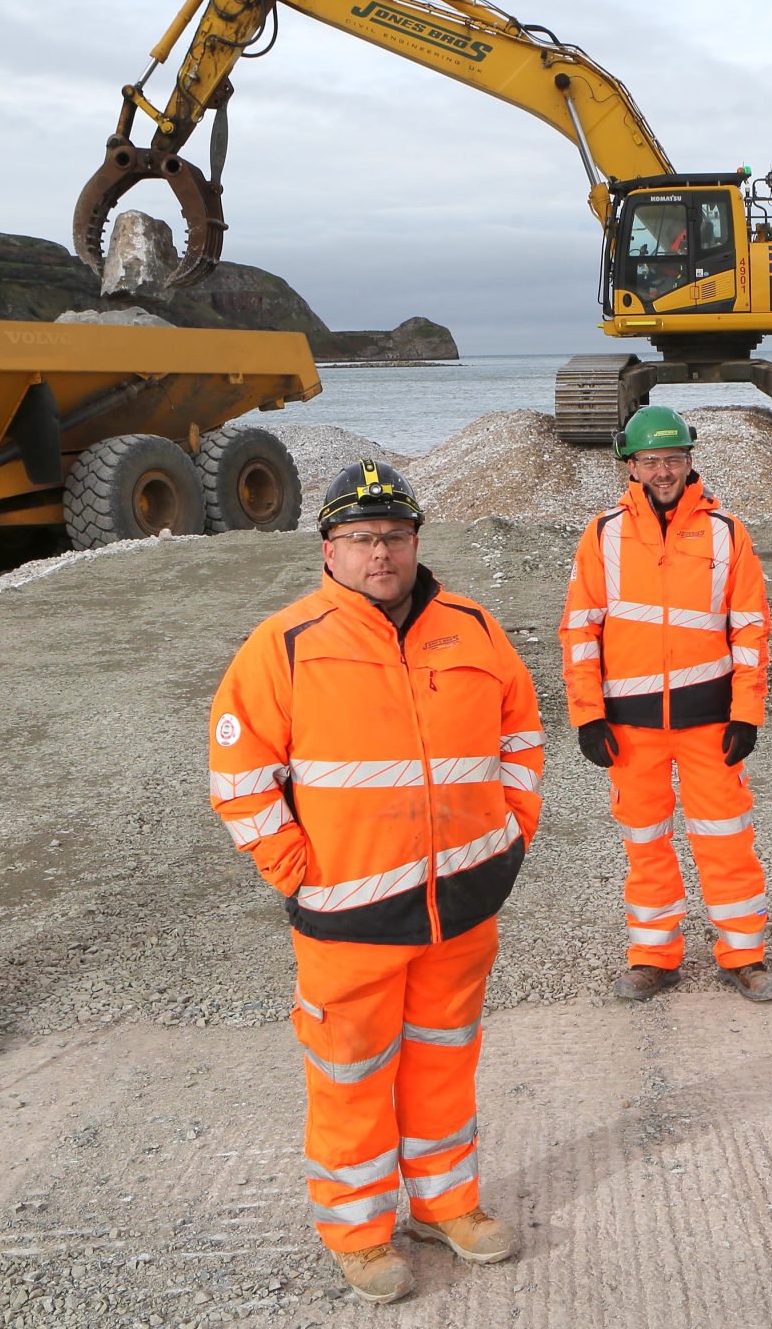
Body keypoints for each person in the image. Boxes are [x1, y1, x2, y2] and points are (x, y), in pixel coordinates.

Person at [208, 460, 545, 1305]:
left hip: (463, 905)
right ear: (329, 548)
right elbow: (238, 770)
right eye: (361, 538)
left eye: (394, 535)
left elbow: (521, 735)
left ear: (416, 540)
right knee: (351, 1078)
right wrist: (295, 867)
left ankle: (447, 1206)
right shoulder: (285, 643)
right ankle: (358, 1234)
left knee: (443, 1064)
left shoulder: (474, 628)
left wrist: (510, 834)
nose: (380, 553)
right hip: (348, 915)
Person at [560, 405, 772, 1001]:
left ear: (690, 462)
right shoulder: (603, 533)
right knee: (645, 843)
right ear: (629, 464)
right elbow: (581, 628)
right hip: (631, 728)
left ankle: (745, 955)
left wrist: (746, 712)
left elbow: (751, 628)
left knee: (726, 838)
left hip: (709, 723)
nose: (663, 470)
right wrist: (587, 715)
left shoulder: (726, 532)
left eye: (674, 458)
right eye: (651, 459)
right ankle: (653, 956)